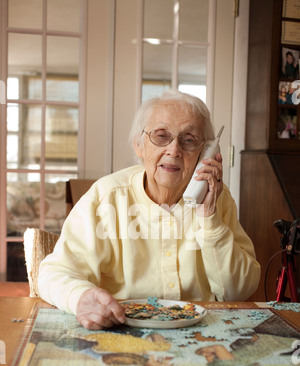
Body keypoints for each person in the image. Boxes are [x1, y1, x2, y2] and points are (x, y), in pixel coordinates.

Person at [38, 90, 261, 330]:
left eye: (189, 140)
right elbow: (54, 273)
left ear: (203, 153)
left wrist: (209, 219)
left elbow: (239, 291)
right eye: (161, 136)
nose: (174, 150)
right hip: (122, 330)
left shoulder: (217, 198)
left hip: (201, 334)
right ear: (139, 145)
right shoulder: (106, 197)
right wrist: (79, 297)